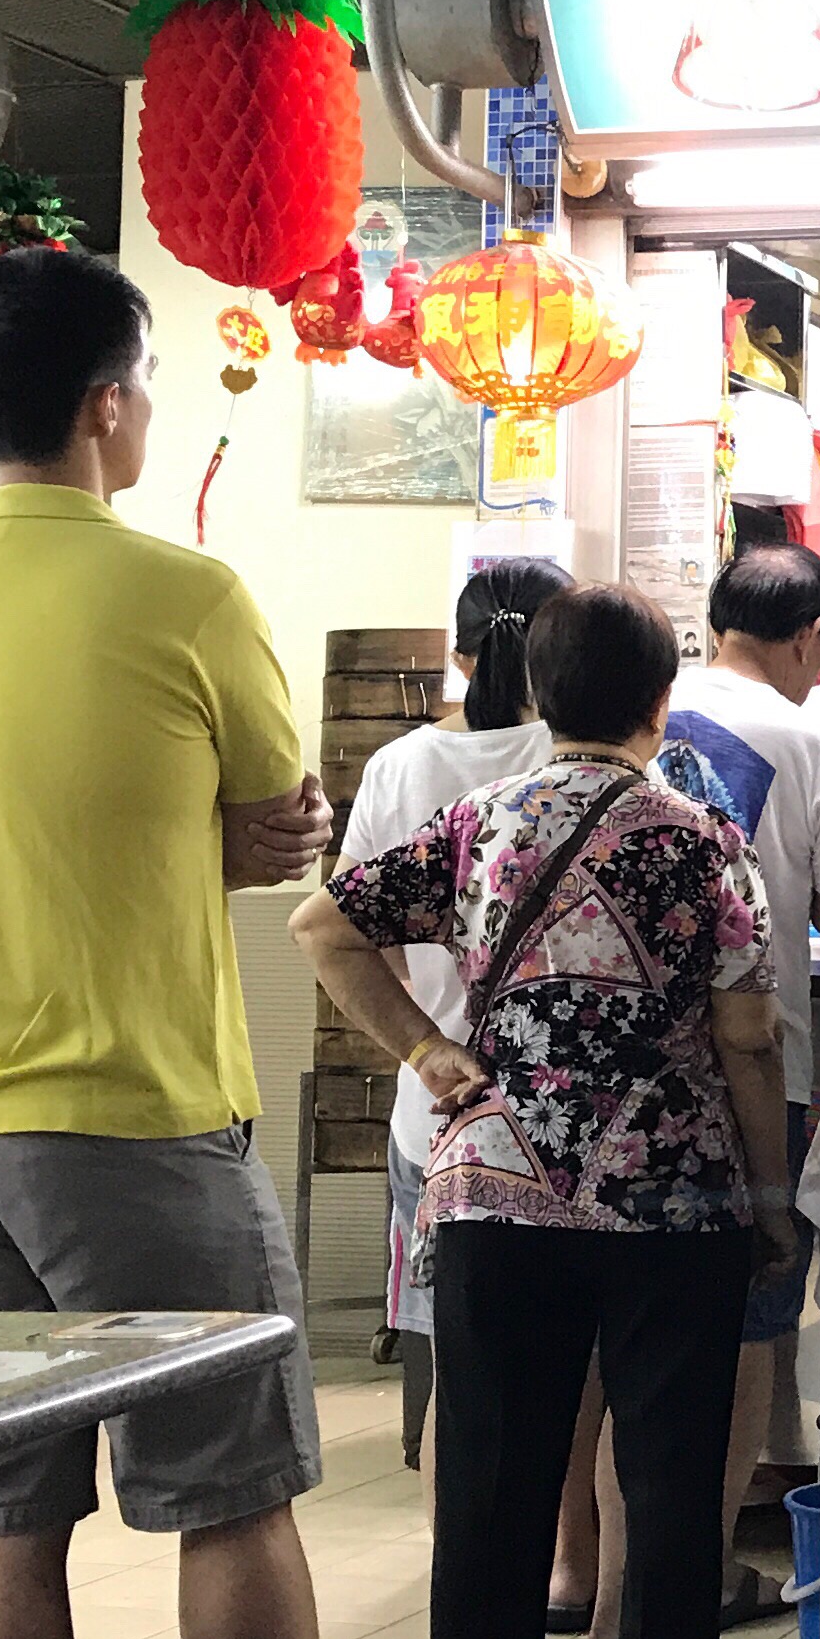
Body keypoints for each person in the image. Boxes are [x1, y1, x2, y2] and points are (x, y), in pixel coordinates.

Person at [0, 244, 494, 1639]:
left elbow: (27, 816)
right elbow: (277, 816)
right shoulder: (183, 592)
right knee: (233, 1495)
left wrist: (201, 832)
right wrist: (233, 833)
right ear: (106, 405)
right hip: (126, 1112)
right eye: (142, 387)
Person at [296, 584, 801, 1639]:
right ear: (660, 701)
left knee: (491, 1457)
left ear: (536, 693)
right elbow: (747, 1036)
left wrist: (428, 1053)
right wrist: (769, 1195)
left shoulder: (480, 824)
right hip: (667, 1194)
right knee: (669, 1465)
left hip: (496, 1185)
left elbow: (324, 923)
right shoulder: (699, 837)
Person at [594, 543, 820, 1639]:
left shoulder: (636, 719)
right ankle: (686, 1595)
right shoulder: (812, 746)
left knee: (630, 1356)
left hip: (613, 1089)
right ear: (810, 638)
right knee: (747, 1340)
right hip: (758, 1079)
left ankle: (612, 1615)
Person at [338, 556, 571, 1467]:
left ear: (460, 657)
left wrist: (426, 1039)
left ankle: (457, 1545)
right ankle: (569, 1545)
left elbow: (352, 933)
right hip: (563, 1112)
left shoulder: (399, 766)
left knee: (460, 1377)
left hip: (435, 1107)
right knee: (571, 1376)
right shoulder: (577, 762)